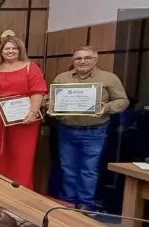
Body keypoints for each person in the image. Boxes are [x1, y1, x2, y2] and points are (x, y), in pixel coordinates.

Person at [50, 46, 128, 209]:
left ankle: (85, 205)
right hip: (67, 129)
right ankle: (68, 203)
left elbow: (122, 101)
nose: (82, 61)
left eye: (87, 58)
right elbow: (51, 100)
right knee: (67, 168)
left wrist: (105, 108)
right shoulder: (62, 78)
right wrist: (49, 106)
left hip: (94, 131)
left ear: (95, 59)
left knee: (88, 169)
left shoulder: (109, 78)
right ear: (73, 60)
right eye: (78, 58)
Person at [0, 36, 47, 189]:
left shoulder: (30, 67)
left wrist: (33, 112)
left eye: (14, 48)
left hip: (25, 119)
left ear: (20, 50)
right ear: (1, 51)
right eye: (7, 48)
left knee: (22, 155)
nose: (10, 51)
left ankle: (21, 189)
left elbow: (38, 90)